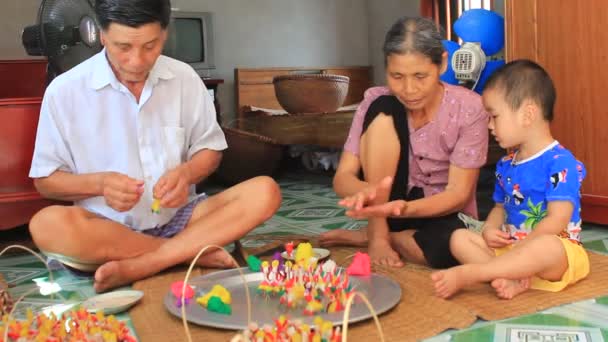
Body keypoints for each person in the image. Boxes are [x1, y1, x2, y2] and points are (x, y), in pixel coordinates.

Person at [28, 0, 281, 292]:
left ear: (164, 34)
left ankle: (145, 263)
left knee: (265, 190)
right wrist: (100, 184)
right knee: (46, 225)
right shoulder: (65, 91)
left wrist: (187, 173)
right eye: (123, 47)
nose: (137, 61)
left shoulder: (184, 78)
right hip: (105, 229)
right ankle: (185, 254)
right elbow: (46, 181)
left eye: (150, 46)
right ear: (102, 35)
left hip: (182, 219)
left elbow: (209, 151)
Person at [319, 16, 489, 269]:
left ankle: (385, 238)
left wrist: (403, 209)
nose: (409, 89)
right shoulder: (375, 101)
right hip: (385, 211)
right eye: (397, 76)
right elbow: (342, 177)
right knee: (383, 107)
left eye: (420, 76)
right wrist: (364, 191)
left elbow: (457, 194)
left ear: (442, 63)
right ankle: (377, 236)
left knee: (452, 250)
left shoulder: (469, 108)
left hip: (441, 214)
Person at [431, 60, 589, 299]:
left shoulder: (560, 162)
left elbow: (557, 220)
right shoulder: (506, 165)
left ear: (528, 114)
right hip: (512, 249)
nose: (490, 126)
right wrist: (490, 229)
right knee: (459, 238)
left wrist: (522, 250)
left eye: (494, 116)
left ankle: (474, 274)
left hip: (555, 253)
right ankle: (507, 276)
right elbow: (499, 207)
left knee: (546, 247)